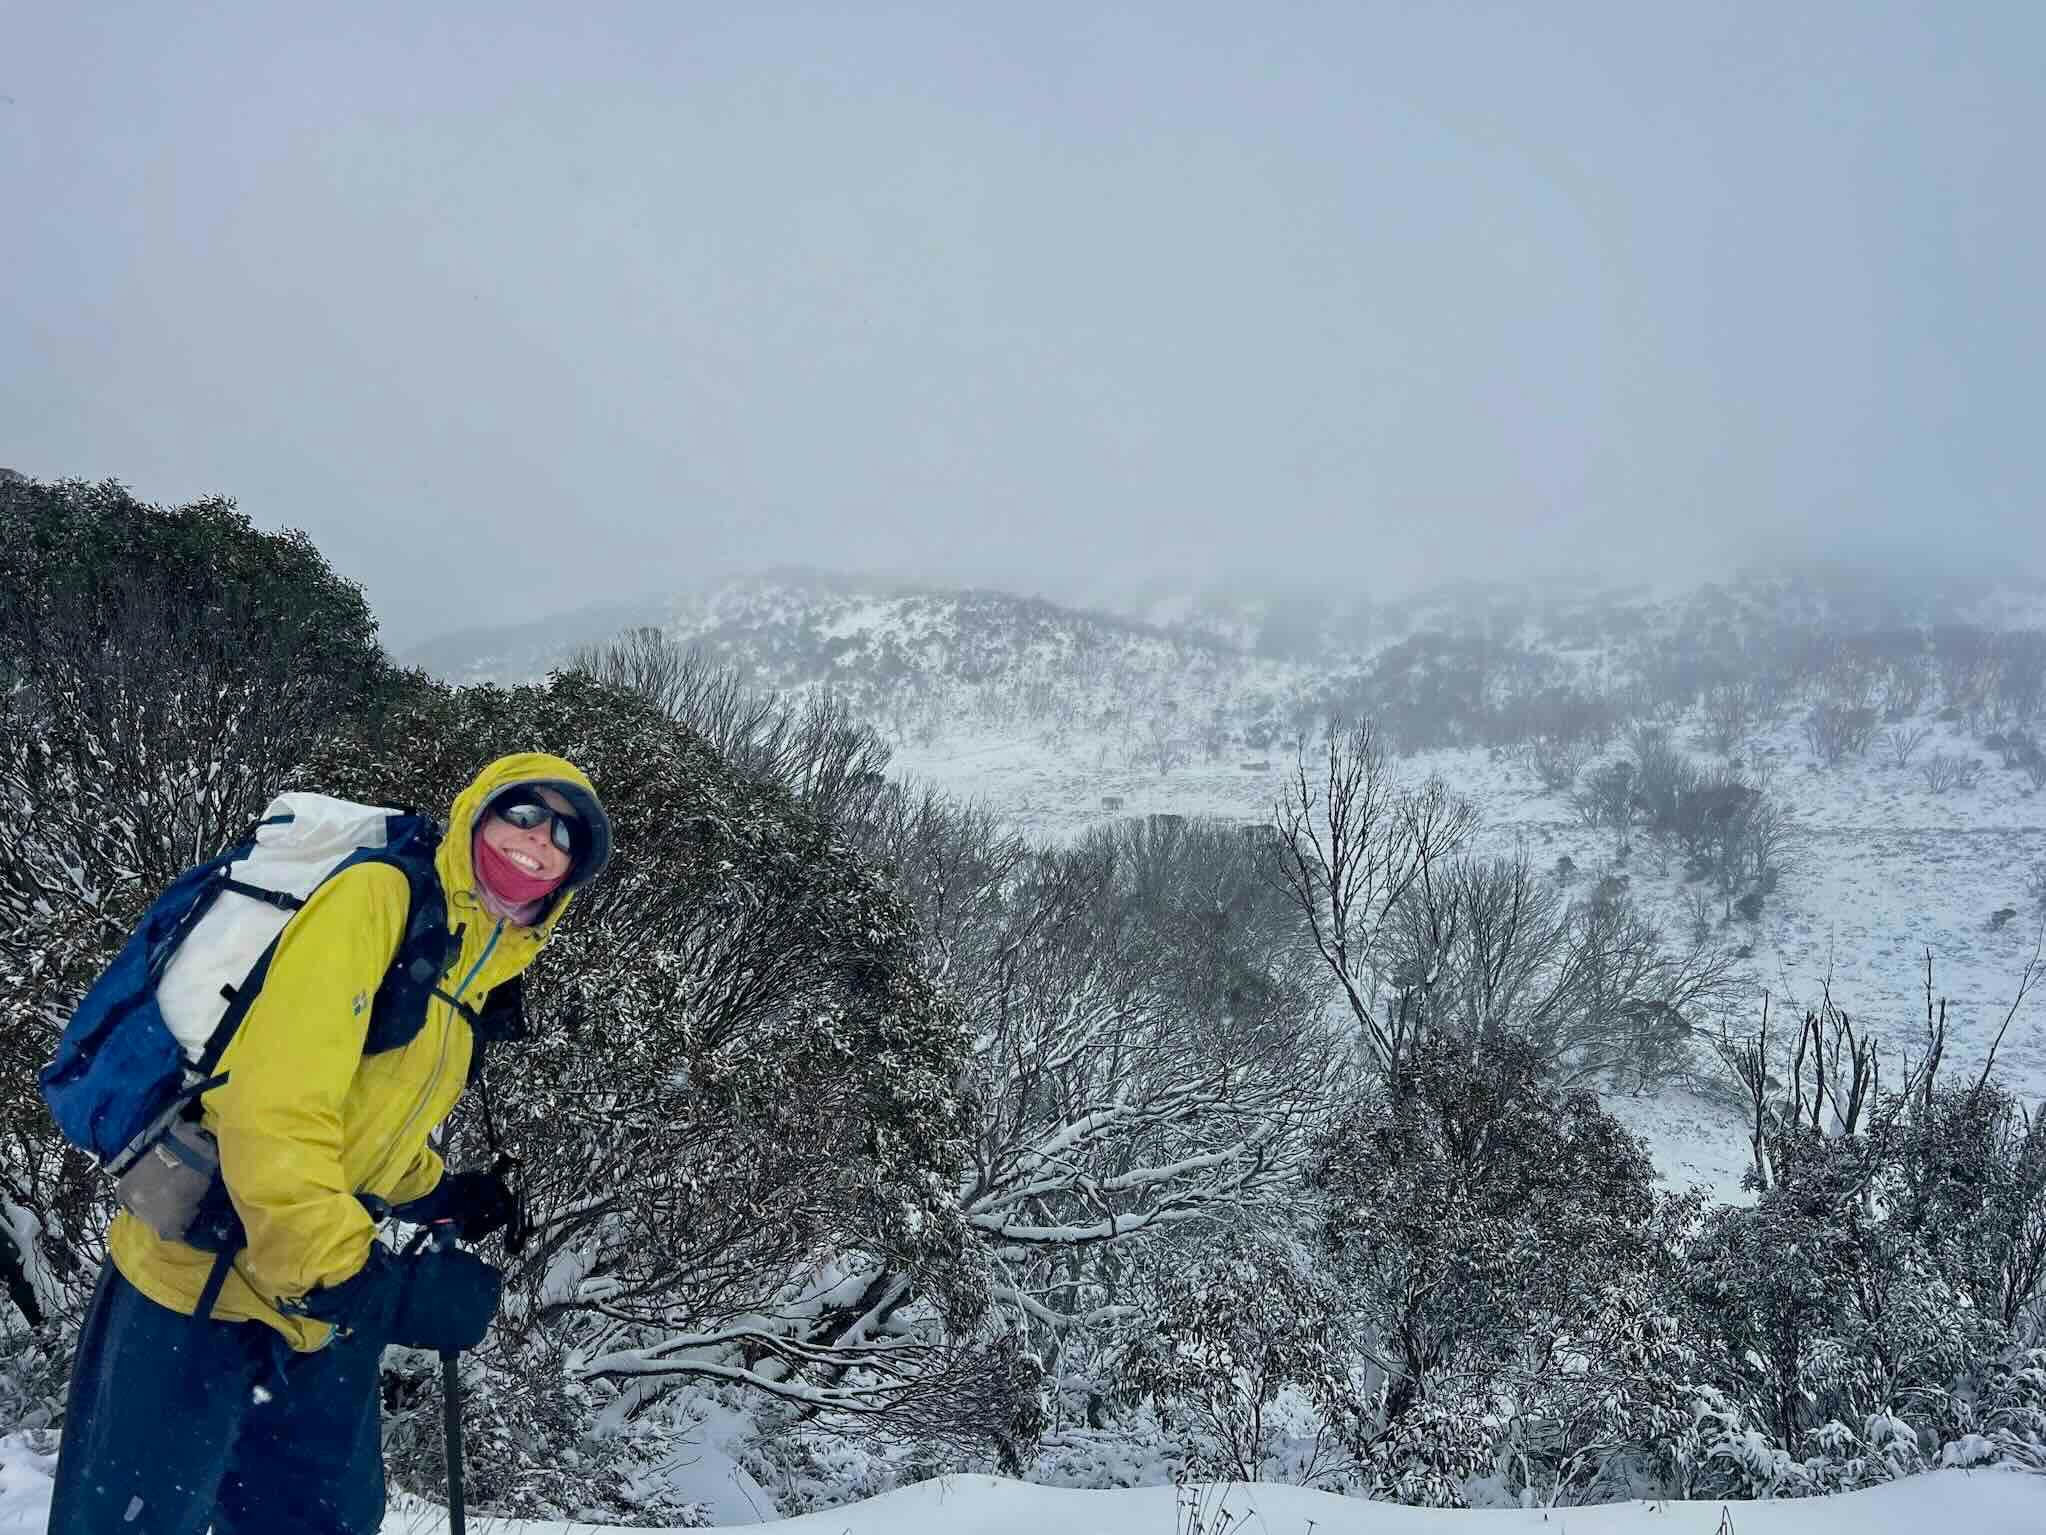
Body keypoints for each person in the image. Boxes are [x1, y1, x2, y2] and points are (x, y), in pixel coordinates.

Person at [47, 753, 612, 1535]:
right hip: (193, 1283)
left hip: (309, 1309)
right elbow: (274, 1106)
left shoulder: (475, 962)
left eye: (566, 833)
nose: (539, 839)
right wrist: (377, 1291)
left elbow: (367, 1119)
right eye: (522, 811)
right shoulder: (377, 899)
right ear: (478, 812)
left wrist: (441, 1191)